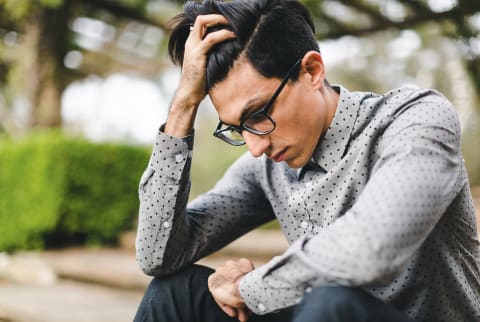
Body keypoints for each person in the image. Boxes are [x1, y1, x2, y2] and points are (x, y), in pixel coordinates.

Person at [133, 0, 480, 321]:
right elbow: (158, 256)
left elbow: (371, 247)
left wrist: (247, 287)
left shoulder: (415, 120)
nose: (254, 147)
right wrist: (183, 106)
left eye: (258, 114)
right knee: (174, 293)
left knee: (329, 304)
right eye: (238, 128)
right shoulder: (267, 167)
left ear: (312, 71)